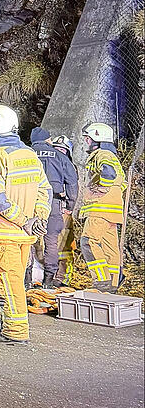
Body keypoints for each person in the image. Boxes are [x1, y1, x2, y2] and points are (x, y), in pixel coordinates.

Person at [0, 105, 50, 346]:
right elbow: (45, 190)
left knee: (6, 282)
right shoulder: (29, 154)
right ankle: (9, 322)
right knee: (15, 280)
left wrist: (24, 220)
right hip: (24, 236)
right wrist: (39, 218)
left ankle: (15, 332)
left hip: (3, 232)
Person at [26, 127, 78, 288]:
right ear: (49, 140)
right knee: (51, 241)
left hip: (28, 202)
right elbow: (72, 182)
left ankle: (26, 279)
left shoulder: (25, 153)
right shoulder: (61, 157)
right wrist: (70, 204)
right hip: (53, 203)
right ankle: (48, 280)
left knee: (27, 240)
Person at [78, 123, 126, 292]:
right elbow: (122, 182)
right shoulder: (112, 155)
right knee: (109, 247)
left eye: (88, 138)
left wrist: (103, 188)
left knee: (88, 241)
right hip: (111, 211)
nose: (86, 141)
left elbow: (109, 173)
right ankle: (112, 284)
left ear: (96, 139)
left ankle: (102, 279)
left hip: (100, 209)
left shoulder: (102, 154)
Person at [50, 135, 77, 285]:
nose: (59, 152)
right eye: (57, 149)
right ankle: (54, 278)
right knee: (55, 245)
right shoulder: (65, 165)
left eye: (62, 149)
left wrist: (69, 207)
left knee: (64, 246)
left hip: (60, 210)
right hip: (58, 210)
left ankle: (61, 278)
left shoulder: (50, 164)